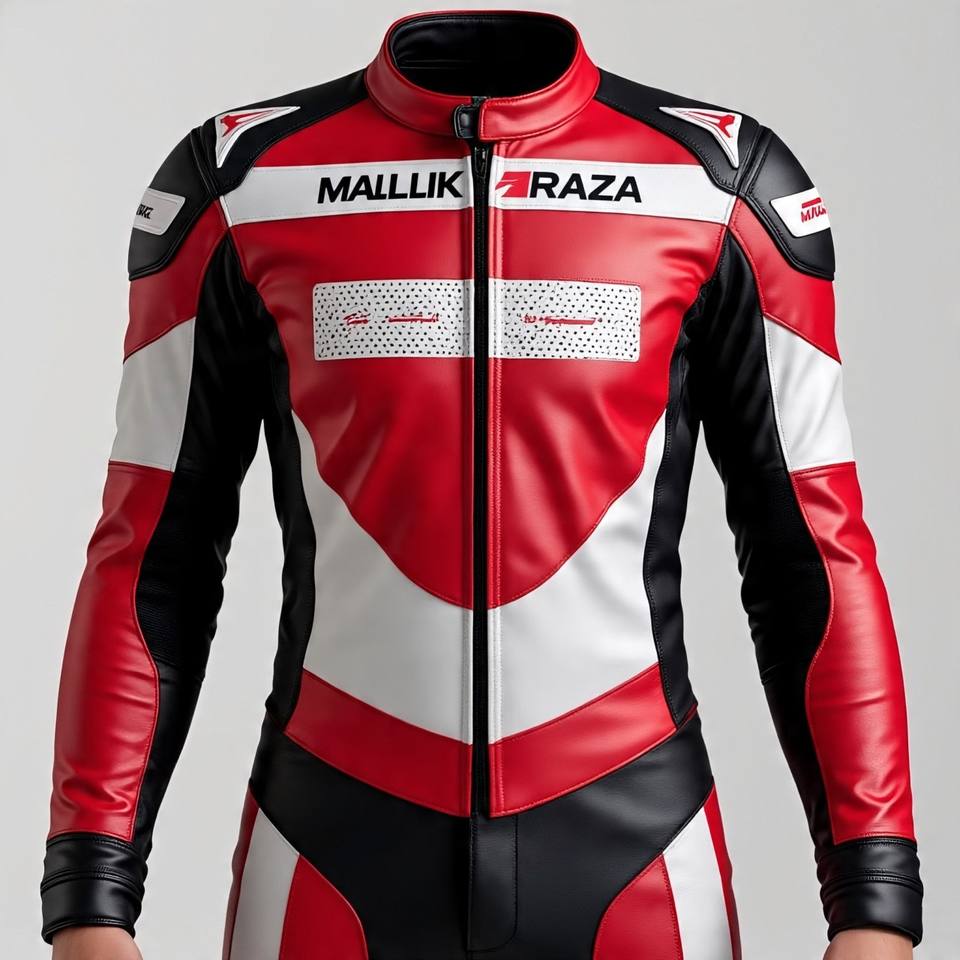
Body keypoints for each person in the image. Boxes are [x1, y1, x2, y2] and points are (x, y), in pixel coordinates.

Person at [41, 11, 921, 960]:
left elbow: (811, 552)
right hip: (329, 842)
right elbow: (154, 554)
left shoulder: (721, 186)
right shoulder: (242, 185)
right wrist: (90, 892)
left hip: (636, 842)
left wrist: (875, 896)